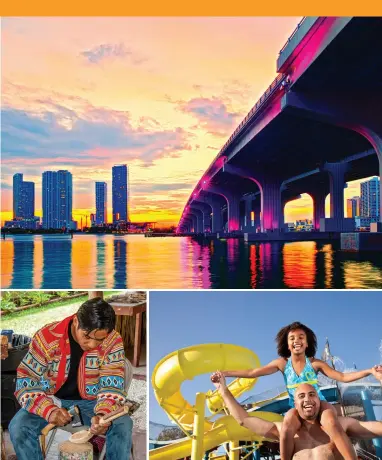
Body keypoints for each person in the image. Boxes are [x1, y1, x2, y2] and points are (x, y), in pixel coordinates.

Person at [211, 322, 382, 460]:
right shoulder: (282, 365)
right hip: (293, 413)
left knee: (330, 420)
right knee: (287, 422)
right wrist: (224, 381)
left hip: (324, 407)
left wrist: (371, 372)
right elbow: (251, 378)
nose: (297, 340)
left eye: (301, 337)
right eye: (292, 338)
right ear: (287, 344)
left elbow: (342, 377)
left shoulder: (315, 365)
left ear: (307, 343)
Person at [9, 297, 133, 460]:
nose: (92, 345)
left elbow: (112, 385)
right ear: (76, 321)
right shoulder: (47, 337)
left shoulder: (112, 341)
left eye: (100, 339)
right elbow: (26, 380)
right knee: (18, 427)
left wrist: (103, 414)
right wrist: (49, 410)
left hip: (93, 403)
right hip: (53, 400)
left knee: (123, 425)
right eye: (87, 336)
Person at [212, 372, 382, 459]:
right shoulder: (285, 431)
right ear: (295, 404)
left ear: (319, 399)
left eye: (312, 395)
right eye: (301, 396)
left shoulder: (341, 425)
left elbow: (378, 428)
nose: (307, 400)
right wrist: (223, 391)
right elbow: (244, 420)